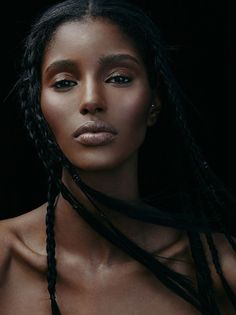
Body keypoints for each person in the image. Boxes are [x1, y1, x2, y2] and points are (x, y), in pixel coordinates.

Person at [0, 0, 235, 314]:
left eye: (119, 78)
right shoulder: (5, 257)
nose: (92, 100)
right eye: (65, 83)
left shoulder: (220, 268)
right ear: (39, 108)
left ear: (153, 103)